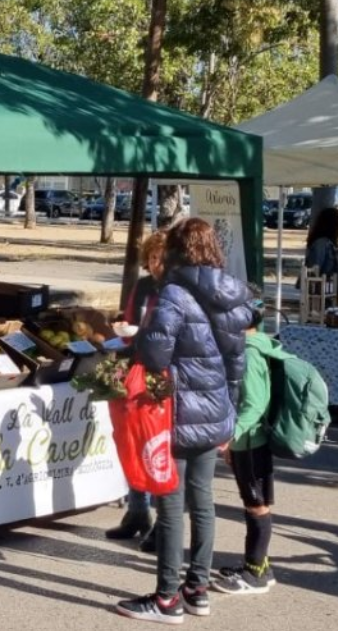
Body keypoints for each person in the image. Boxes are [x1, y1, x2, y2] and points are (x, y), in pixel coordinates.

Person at [115, 218, 255, 625]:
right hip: (214, 412)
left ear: (178, 250)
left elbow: (155, 354)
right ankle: (197, 589)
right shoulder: (232, 296)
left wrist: (139, 337)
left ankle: (166, 599)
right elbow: (236, 363)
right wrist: (229, 414)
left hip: (176, 412)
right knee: (203, 500)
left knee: (171, 504)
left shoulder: (174, 293)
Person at [214, 305, 282, 595]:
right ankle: (259, 565)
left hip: (252, 441)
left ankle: (255, 572)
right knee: (253, 501)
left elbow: (254, 403)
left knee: (257, 504)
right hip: (250, 441)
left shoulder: (250, 353)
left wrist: (232, 434)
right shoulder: (256, 345)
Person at [107, 231, 167, 551]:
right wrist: (124, 329)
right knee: (131, 441)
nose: (155, 264)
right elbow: (131, 320)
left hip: (163, 374)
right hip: (135, 370)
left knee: (157, 447)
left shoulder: (179, 289)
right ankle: (137, 511)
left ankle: (163, 523)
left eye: (161, 258)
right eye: (152, 258)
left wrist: (142, 335)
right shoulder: (143, 286)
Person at [303, 207, 338, 293]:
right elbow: (314, 270)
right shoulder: (321, 244)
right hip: (323, 292)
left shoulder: (332, 244)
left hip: (331, 290)